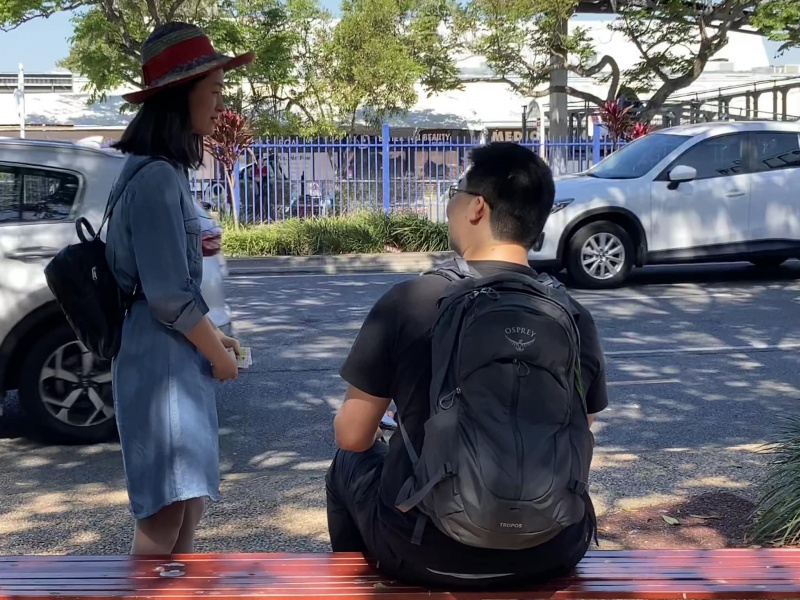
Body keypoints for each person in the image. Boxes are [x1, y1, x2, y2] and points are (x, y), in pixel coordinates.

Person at [326, 142, 608, 588]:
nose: (450, 204)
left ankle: (356, 588)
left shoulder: (410, 301)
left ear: (477, 207)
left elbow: (352, 435)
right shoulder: (571, 314)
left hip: (425, 550)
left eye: (454, 193)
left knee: (346, 463)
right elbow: (580, 423)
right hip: (552, 547)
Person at [105, 21, 254, 555]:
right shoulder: (156, 179)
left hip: (167, 355)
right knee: (166, 512)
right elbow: (167, 295)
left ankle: (173, 590)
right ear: (180, 97)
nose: (221, 105)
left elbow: (171, 285)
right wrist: (219, 357)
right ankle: (148, 592)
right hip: (160, 363)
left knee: (185, 504)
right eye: (214, 91)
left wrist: (216, 336)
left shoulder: (159, 171)